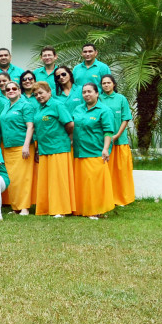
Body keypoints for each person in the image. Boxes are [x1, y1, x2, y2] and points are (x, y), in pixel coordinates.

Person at [72, 83, 116, 219]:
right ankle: (81, 209)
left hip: (95, 152)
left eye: (89, 91)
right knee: (82, 184)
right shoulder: (78, 109)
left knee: (94, 184)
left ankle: (96, 210)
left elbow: (108, 131)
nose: (86, 94)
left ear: (97, 93)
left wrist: (105, 149)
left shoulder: (104, 110)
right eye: (84, 92)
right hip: (79, 152)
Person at [32, 81, 75, 217]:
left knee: (59, 180)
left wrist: (65, 138)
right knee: (47, 181)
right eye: (36, 94)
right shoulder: (39, 108)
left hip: (58, 147)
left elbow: (70, 124)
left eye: (41, 93)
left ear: (49, 92)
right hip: (44, 148)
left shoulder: (57, 105)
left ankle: (61, 209)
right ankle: (47, 208)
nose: (38, 96)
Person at [0, 80, 35, 214]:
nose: (11, 91)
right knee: (12, 178)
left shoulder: (26, 105)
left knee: (23, 178)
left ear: (19, 91)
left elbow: (30, 126)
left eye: (14, 88)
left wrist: (26, 145)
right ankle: (16, 207)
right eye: (8, 89)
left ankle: (24, 207)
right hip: (8, 147)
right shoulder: (6, 105)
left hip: (22, 146)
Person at [100, 74, 135, 208]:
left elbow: (125, 118)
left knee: (121, 171)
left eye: (109, 83)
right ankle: (107, 197)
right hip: (104, 142)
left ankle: (122, 198)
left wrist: (117, 135)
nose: (106, 85)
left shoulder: (121, 99)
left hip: (120, 141)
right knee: (106, 169)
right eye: (103, 83)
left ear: (114, 84)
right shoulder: (99, 99)